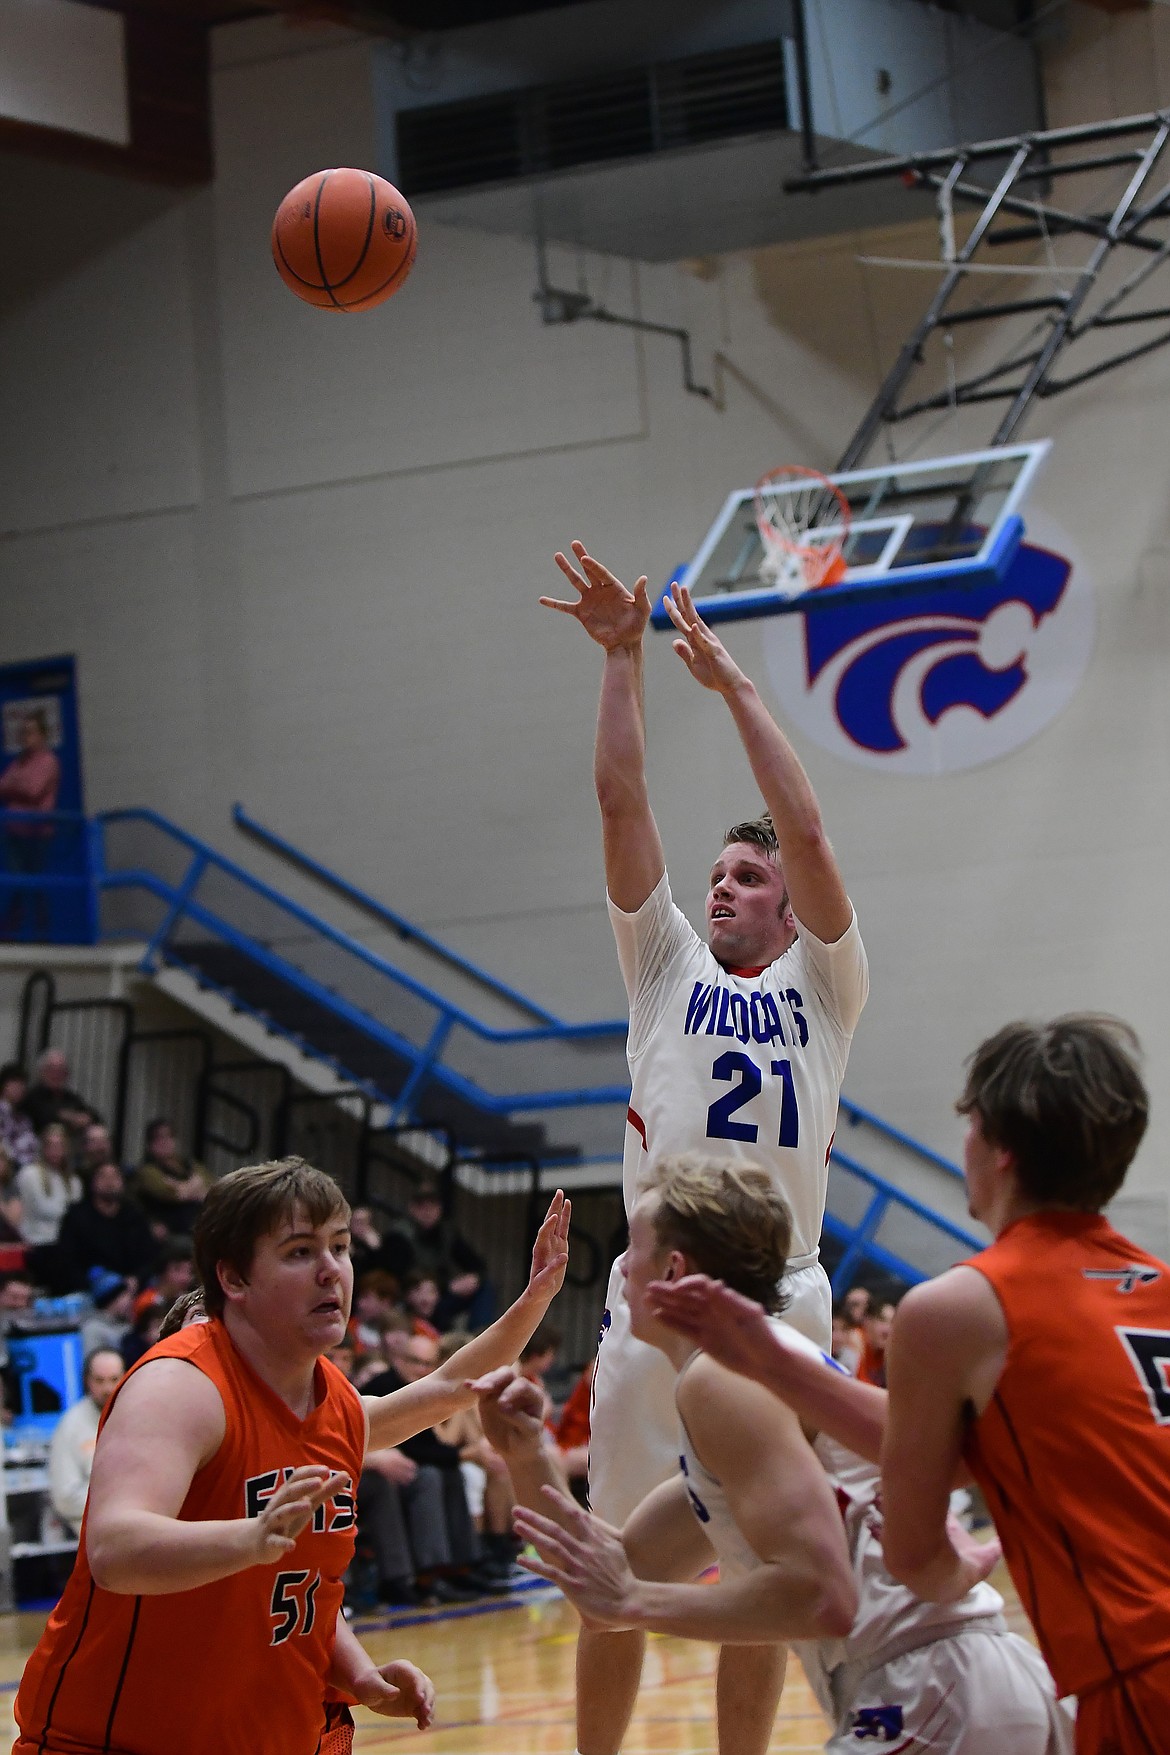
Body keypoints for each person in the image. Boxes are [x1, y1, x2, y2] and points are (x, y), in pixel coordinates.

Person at [541, 547, 870, 1755]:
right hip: (659, 1301)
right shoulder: (666, 968)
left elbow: (812, 829)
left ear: (789, 908)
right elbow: (623, 804)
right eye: (718, 874)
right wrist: (623, 660)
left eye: (747, 876)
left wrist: (733, 686)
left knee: (766, 1573)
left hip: (782, 1298)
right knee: (610, 1568)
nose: (723, 888)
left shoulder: (827, 988)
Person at [647, 1015, 1168, 1755]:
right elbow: (965, 1448)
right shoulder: (1159, 1289)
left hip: (1138, 1671)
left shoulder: (959, 1307)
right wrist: (770, 1355)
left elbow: (921, 1557)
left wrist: (971, 1561)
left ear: (998, 1150)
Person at [14, 1157, 569, 1755]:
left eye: (340, 1246)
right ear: (234, 1280)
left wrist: (535, 1299)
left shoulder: (331, 1405)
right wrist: (249, 1541)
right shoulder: (180, 1387)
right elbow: (114, 1551)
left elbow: (447, 1387)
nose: (332, 1271)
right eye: (301, 1252)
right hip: (122, 1740)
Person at [474, 1156, 858, 1755]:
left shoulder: (723, 1386)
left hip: (925, 1683)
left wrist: (639, 1601)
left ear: (672, 1270)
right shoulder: (723, 1375)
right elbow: (607, 1598)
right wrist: (528, 1454)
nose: (621, 1266)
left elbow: (819, 1599)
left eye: (633, 1247)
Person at [48, 1347, 124, 1538]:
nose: (107, 1388)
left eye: (114, 1379)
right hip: (94, 1535)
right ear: (87, 1381)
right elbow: (65, 1497)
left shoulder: (141, 1416)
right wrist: (118, 1507)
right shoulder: (71, 1425)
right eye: (99, 1380)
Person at [0, 709, 60, 939]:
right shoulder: (19, 762)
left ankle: (42, 934)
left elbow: (33, 790)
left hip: (36, 834)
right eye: (24, 732)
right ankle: (11, 932)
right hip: (15, 832)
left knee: (36, 884)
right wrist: (16, 784)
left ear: (42, 735)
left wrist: (13, 786)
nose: (27, 737)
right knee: (17, 883)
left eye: (32, 732)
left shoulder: (48, 761)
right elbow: (3, 784)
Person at [56, 1160, 158, 1291]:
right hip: (89, 1287)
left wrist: (136, 1279)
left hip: (131, 1285)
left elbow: (148, 1257)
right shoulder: (77, 1216)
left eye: (115, 1176)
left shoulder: (134, 1215)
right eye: (103, 1176)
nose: (109, 1182)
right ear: (93, 1182)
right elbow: (68, 1260)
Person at [134, 1117, 211, 1236]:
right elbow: (169, 1193)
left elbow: (213, 1190)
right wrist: (195, 1186)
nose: (165, 1142)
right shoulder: (147, 1170)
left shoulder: (190, 1164)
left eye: (169, 1136)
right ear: (150, 1144)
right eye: (159, 1138)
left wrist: (179, 1186)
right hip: (171, 1229)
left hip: (199, 1223)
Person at [20, 1048, 101, 1146]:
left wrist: (86, 1119)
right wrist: (69, 1118)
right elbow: (43, 1118)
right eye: (51, 1069)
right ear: (41, 1072)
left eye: (61, 1070)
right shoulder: (32, 1096)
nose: (56, 1074)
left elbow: (95, 1117)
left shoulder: (71, 1098)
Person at [0, 1063, 38, 1169]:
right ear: (3, 1085)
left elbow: (32, 1145)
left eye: (22, 1085)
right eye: (14, 1084)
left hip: (25, 1166)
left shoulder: (24, 1119)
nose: (18, 1088)